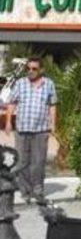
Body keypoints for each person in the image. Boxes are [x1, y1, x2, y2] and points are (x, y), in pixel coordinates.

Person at [2, 56, 57, 204]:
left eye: (34, 69)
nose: (30, 71)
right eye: (28, 69)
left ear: (41, 70)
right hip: (22, 128)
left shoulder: (49, 84)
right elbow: (11, 103)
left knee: (38, 161)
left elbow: (52, 105)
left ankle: (38, 190)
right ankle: (25, 191)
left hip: (41, 129)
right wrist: (8, 122)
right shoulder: (20, 84)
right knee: (22, 161)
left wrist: (53, 123)